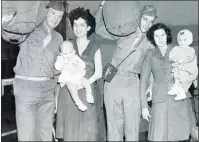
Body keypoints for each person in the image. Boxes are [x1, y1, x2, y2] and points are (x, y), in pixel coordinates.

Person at [95, 2, 157, 141]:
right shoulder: (125, 31)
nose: (147, 24)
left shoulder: (150, 42)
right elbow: (100, 29)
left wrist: (151, 86)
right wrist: (101, 7)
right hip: (113, 80)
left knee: (132, 126)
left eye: (150, 21)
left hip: (132, 83)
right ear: (138, 17)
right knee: (113, 125)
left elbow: (152, 67)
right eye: (145, 19)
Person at [12, 1, 64, 141]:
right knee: (27, 136)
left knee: (45, 136)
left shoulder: (59, 38)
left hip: (48, 91)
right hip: (26, 88)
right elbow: (10, 33)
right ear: (46, 11)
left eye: (59, 16)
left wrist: (56, 97)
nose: (55, 19)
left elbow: (57, 72)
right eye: (53, 13)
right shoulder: (29, 29)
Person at [55, 7, 106, 141]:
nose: (78, 28)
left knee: (87, 132)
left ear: (88, 27)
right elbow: (59, 67)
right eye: (75, 25)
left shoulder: (95, 46)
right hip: (69, 93)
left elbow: (99, 73)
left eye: (82, 25)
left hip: (87, 90)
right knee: (71, 133)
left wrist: (83, 84)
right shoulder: (67, 45)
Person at [141, 23, 194, 141]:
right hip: (159, 98)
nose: (160, 39)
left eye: (162, 35)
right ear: (152, 38)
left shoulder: (177, 49)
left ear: (167, 35)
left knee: (179, 136)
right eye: (156, 36)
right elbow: (143, 82)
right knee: (159, 136)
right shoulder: (150, 54)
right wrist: (144, 106)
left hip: (178, 97)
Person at [54, 40, 94, 111]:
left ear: (74, 52)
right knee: (73, 91)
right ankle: (78, 103)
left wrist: (78, 65)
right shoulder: (60, 59)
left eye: (70, 52)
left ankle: (89, 94)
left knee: (86, 82)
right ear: (61, 54)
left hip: (78, 76)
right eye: (65, 53)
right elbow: (57, 67)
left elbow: (83, 65)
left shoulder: (75, 57)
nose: (68, 55)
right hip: (68, 78)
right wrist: (62, 62)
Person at [167, 29, 198, 100]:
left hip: (187, 69)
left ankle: (182, 92)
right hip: (178, 68)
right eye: (180, 40)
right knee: (176, 76)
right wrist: (173, 59)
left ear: (190, 40)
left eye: (184, 40)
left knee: (183, 78)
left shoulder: (191, 49)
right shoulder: (176, 48)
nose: (182, 42)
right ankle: (176, 87)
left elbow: (190, 58)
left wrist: (183, 61)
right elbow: (171, 56)